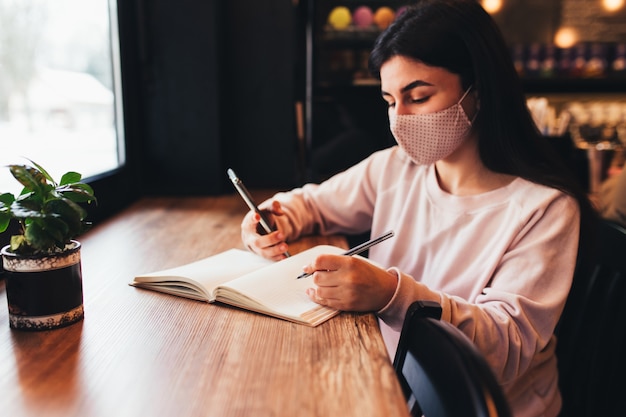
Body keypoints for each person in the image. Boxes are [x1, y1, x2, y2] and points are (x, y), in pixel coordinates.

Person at [239, 1, 595, 416]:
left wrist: (392, 295)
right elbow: (312, 203)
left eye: (418, 96)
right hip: (391, 383)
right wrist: (270, 220)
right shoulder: (396, 168)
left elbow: (504, 350)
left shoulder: (545, 208)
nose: (399, 119)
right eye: (390, 101)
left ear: (477, 89)